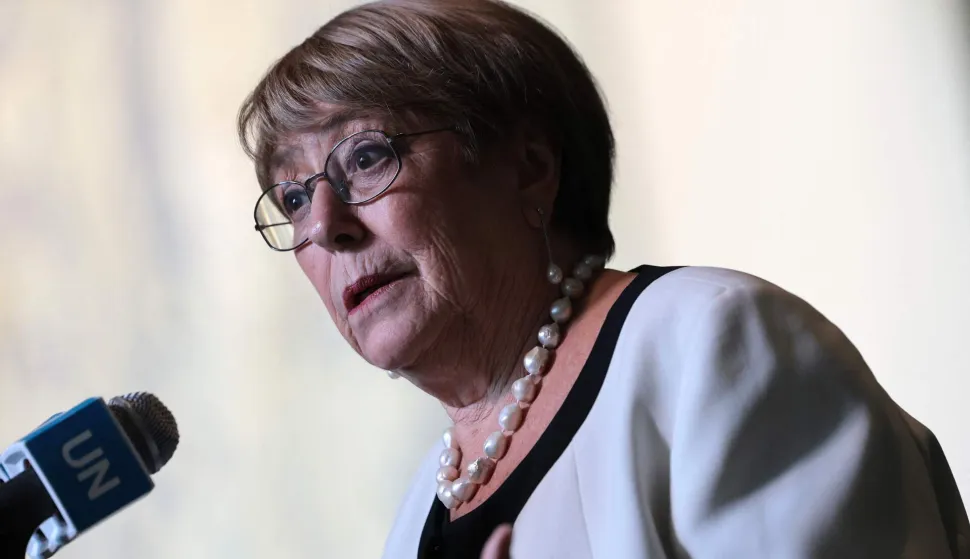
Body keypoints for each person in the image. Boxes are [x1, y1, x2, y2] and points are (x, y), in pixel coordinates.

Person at [237, 1, 969, 557]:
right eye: (295, 197)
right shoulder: (414, 517)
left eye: (365, 158)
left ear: (529, 167)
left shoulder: (710, 346)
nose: (325, 224)